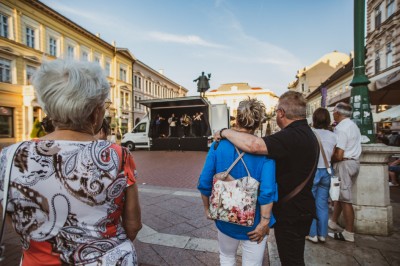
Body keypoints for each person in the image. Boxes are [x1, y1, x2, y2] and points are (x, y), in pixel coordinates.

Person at [0, 59, 142, 265]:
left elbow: (11, 216)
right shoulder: (118, 155)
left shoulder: (10, 156)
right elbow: (133, 224)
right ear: (95, 113)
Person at [214, 91, 319, 265]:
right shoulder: (308, 133)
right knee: (292, 258)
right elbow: (267, 188)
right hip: (300, 207)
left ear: (281, 113)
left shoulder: (291, 136)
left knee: (291, 260)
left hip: (291, 213)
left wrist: (224, 132)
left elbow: (254, 145)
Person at [198, 98, 277, 265]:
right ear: (258, 123)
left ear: (237, 118)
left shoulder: (217, 146)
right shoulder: (266, 150)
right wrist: (264, 222)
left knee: (226, 257)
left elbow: (204, 182)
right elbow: (268, 190)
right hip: (254, 223)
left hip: (225, 216)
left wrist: (207, 209)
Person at [328, 102, 361, 243]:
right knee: (341, 196)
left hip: (344, 163)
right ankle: (333, 221)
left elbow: (339, 154)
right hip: (353, 162)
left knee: (345, 199)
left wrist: (329, 157)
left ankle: (349, 232)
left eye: (334, 111)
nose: (333, 113)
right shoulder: (353, 125)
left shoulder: (341, 128)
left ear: (338, 113)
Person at [306, 108, 337, 244]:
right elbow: (333, 154)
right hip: (327, 171)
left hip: (312, 172)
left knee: (310, 203)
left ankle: (312, 233)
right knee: (322, 204)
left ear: (314, 119)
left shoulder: (309, 134)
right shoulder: (333, 136)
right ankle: (322, 234)